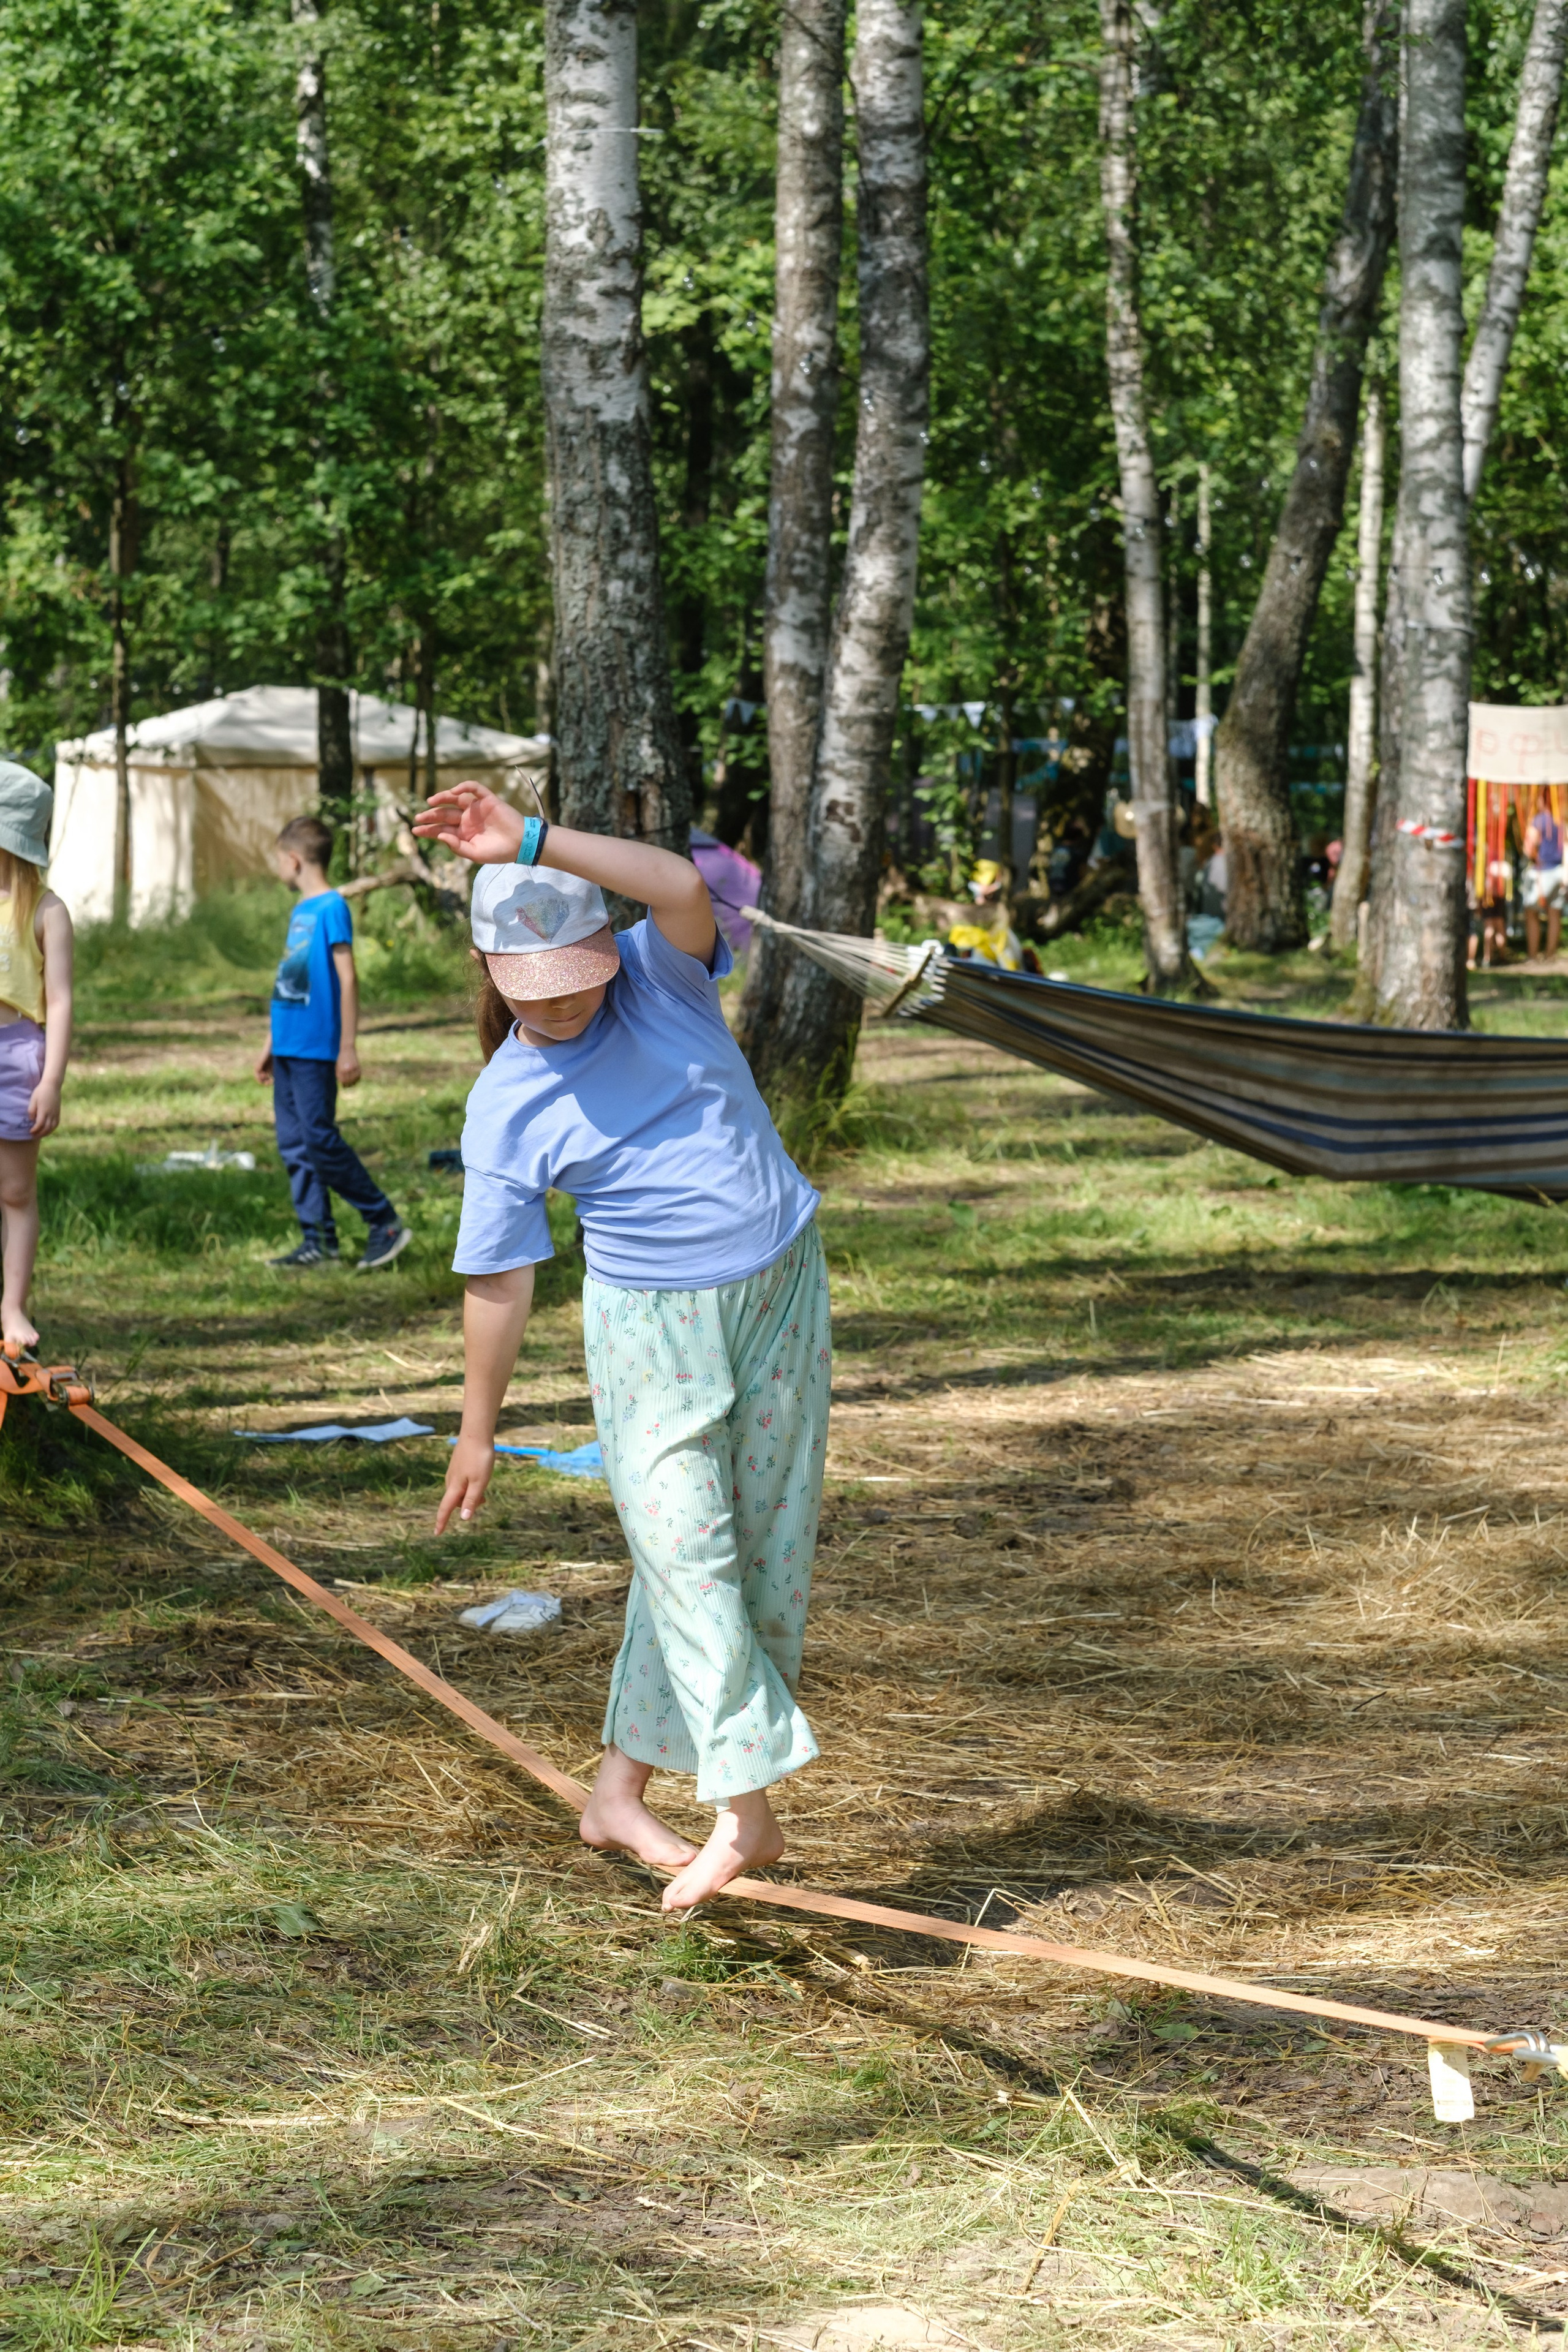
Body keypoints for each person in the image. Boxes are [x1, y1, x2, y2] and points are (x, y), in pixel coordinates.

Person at [414, 783, 829, 1913]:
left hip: (781, 1284)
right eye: (533, 984)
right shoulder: (507, 1104)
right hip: (654, 1327)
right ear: (489, 968)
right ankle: (743, 1806)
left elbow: (683, 885)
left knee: (757, 1546)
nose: (561, 1003)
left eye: (578, 974)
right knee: (685, 1549)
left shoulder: (660, 976)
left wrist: (531, 839)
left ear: (610, 947)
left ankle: (615, 1794)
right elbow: (499, 1281)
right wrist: (476, 1432)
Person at [255, 814, 410, 1271]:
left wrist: (348, 1046)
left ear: (294, 859)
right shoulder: (301, 911)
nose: (278, 868)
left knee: (320, 1140)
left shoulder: (331, 908)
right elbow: (290, 981)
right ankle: (319, 1243)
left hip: (315, 1047)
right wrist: (270, 1042)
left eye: (278, 860)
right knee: (294, 1144)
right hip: (288, 1045)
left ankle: (384, 1222)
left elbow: (348, 977)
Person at [0, 763, 73, 1351]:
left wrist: (52, 1081)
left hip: (19, 1059)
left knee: (17, 1193)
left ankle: (13, 1307)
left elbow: (62, 1000)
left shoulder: (48, 911)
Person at [1523, 804, 1565, 960]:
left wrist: (1532, 857)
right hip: (1560, 871)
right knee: (1555, 913)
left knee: (1531, 912)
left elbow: (1529, 847)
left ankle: (1533, 955)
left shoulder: (1538, 820)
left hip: (1542, 871)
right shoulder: (1562, 820)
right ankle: (1550, 955)